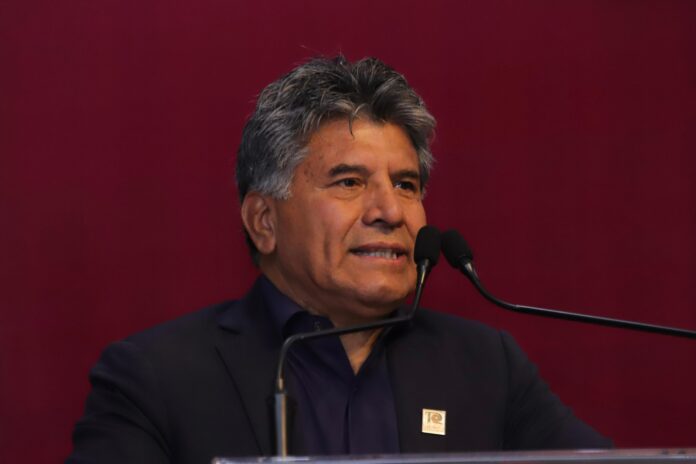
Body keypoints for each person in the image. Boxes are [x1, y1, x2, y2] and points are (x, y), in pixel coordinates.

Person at [67, 56, 610, 464]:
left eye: (406, 184)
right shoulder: (155, 379)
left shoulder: (485, 365)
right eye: (349, 182)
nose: (390, 211)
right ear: (264, 221)